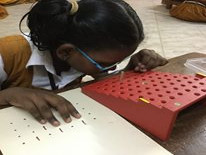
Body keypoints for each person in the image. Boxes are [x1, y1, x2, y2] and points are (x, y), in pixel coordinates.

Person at [0, 0, 168, 126]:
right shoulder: (8, 52)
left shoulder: (84, 52)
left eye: (119, 62)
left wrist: (130, 69)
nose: (114, 67)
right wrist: (8, 95)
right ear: (65, 52)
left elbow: (104, 81)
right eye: (104, 64)